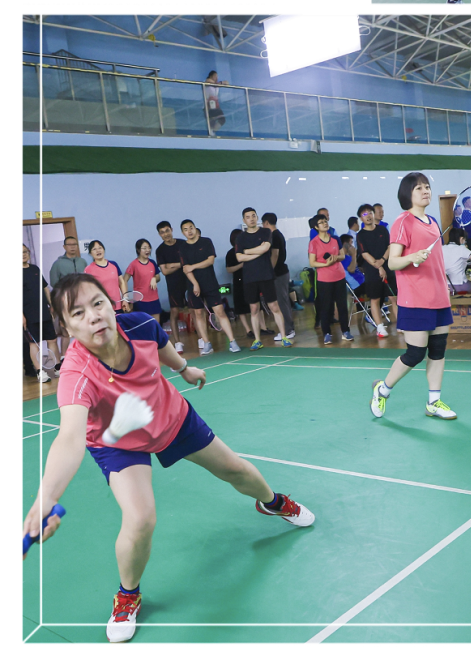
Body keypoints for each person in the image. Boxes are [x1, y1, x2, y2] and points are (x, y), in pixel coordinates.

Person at [24, 272, 314, 643]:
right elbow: (69, 438)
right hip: (117, 443)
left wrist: (184, 368)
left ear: (111, 304)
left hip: (170, 418)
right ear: (65, 328)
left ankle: (272, 502)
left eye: (97, 304)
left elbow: (161, 346)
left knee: (236, 469)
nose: (93, 316)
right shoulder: (76, 373)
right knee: (140, 518)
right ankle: (128, 594)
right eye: (78, 313)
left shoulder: (140, 325)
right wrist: (45, 498)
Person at [370, 172, 457, 421]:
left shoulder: (433, 221)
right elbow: (393, 262)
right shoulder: (402, 222)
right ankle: (383, 390)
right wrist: (412, 257)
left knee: (438, 351)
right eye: (419, 188)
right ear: (407, 194)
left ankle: (433, 402)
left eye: (427, 186)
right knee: (415, 354)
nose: (425, 191)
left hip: (438, 296)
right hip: (415, 298)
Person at [233, 207, 293, 350]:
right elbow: (239, 257)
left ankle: (284, 336)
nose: (251, 219)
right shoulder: (240, 237)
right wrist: (256, 253)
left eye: (253, 216)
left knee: (274, 306)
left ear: (257, 217)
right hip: (249, 277)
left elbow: (265, 248)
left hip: (266, 275)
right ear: (244, 220)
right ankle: (257, 340)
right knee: (254, 308)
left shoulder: (266, 232)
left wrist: (247, 252)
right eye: (248, 217)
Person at [179, 220, 240, 354]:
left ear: (195, 228)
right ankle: (207, 343)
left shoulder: (206, 242)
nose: (189, 231)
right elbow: (186, 269)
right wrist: (195, 284)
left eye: (191, 228)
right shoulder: (183, 248)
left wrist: (193, 266)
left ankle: (232, 341)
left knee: (220, 312)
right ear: (183, 233)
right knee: (198, 314)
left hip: (210, 283)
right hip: (193, 286)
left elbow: (210, 260)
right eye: (185, 229)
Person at [309, 213, 353, 345]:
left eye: (325, 221)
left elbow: (342, 256)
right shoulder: (314, 242)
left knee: (342, 306)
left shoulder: (335, 239)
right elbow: (312, 262)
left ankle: (346, 331)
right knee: (326, 307)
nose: (325, 224)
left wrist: (335, 258)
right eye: (321, 222)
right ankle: (327, 333)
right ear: (316, 227)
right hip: (324, 279)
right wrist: (325, 264)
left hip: (339, 276)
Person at [357, 202, 397, 336]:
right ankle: (380, 327)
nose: (368, 216)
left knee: (394, 298)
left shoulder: (382, 230)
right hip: (372, 271)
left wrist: (383, 261)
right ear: (361, 218)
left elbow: (390, 246)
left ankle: (401, 325)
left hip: (388, 266)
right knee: (375, 299)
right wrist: (378, 266)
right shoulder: (361, 235)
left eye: (370, 213)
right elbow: (364, 253)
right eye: (364, 214)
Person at [24, 245, 59, 382]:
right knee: (34, 343)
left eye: (25, 252)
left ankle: (57, 367)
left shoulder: (35, 269)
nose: (23, 254)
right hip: (28, 315)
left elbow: (45, 288)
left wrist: (51, 305)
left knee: (52, 340)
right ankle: (40, 371)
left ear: (29, 253)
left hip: (44, 311)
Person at [261, 213, 296, 341]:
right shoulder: (277, 234)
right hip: (280, 272)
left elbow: (275, 255)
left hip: (279, 273)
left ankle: (288, 330)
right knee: (281, 301)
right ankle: (286, 329)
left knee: (282, 302)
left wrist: (269, 272)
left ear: (266, 223)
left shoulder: (275, 236)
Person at [154, 223, 187, 355]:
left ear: (172, 230)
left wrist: (171, 265)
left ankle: (202, 340)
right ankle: (178, 342)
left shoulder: (183, 244)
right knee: (174, 312)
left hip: (188, 280)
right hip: (173, 284)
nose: (166, 234)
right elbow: (165, 271)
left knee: (196, 310)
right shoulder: (160, 250)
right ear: (159, 234)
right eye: (162, 232)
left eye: (167, 230)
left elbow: (188, 262)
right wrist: (181, 264)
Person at [84, 241, 127, 311]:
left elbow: (121, 282)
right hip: (102, 307)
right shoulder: (88, 269)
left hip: (118, 305)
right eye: (94, 249)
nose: (98, 251)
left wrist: (125, 298)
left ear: (104, 250)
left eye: (100, 248)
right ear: (90, 253)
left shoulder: (114, 264)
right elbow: (87, 289)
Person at [123, 242, 162, 317]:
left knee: (155, 323)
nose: (147, 250)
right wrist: (126, 297)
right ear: (138, 250)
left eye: (149, 248)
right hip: (140, 300)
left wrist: (154, 278)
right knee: (142, 323)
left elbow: (158, 277)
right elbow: (124, 280)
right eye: (144, 248)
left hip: (154, 299)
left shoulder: (152, 263)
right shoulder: (134, 264)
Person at [203, 70, 225, 136]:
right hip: (208, 105)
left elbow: (227, 82)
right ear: (211, 76)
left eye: (217, 76)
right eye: (215, 76)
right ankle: (211, 133)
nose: (216, 77)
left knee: (222, 119)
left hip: (216, 105)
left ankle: (213, 131)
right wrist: (218, 83)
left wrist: (220, 83)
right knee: (212, 120)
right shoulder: (207, 82)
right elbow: (208, 81)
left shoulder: (217, 84)